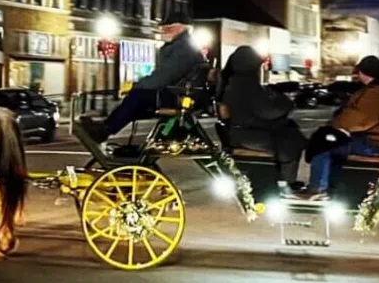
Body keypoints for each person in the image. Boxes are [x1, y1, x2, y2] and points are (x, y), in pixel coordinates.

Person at [79, 10, 206, 143]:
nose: (163, 30)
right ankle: (107, 128)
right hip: (176, 94)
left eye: (168, 28)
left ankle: (106, 129)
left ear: (181, 28)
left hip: (175, 96)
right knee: (137, 100)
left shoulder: (183, 49)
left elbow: (163, 77)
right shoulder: (182, 47)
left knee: (138, 96)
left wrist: (136, 85)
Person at [302, 56, 379, 200]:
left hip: (375, 143)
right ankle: (329, 186)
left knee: (324, 144)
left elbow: (360, 118)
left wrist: (336, 125)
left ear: (363, 73)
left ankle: (317, 188)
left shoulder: (377, 93)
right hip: (378, 138)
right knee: (328, 139)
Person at [220, 46, 306, 190]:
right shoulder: (247, 84)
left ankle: (284, 180)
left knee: (288, 134)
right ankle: (285, 183)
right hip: (249, 135)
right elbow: (267, 111)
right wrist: (285, 104)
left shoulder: (234, 82)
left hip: (240, 132)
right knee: (291, 141)